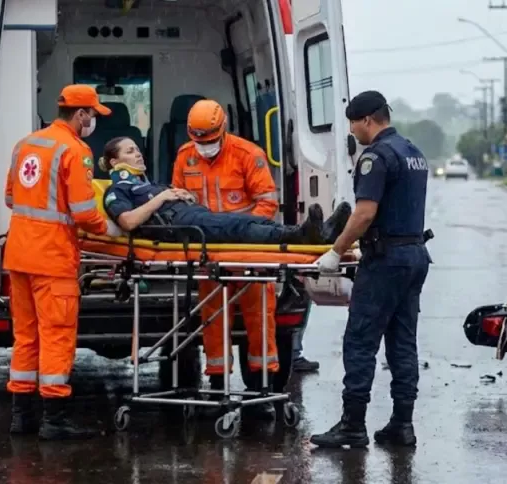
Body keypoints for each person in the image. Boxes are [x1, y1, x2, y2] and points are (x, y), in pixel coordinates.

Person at [170, 99, 348, 418]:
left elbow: (267, 203)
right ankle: (217, 386)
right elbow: (178, 200)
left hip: (246, 249)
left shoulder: (247, 155)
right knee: (212, 320)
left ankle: (261, 391)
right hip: (208, 253)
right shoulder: (185, 156)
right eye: (200, 141)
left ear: (223, 130)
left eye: (210, 141)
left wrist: (242, 232)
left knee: (260, 319)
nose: (205, 147)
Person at [310, 91, 431, 448]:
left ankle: (352, 426)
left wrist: (335, 251)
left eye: (352, 123)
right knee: (402, 342)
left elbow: (364, 213)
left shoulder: (375, 157)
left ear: (367, 120)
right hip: (414, 255)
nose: (352, 130)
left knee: (360, 341)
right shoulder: (413, 153)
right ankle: (402, 424)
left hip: (386, 262)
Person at [5, 84, 119, 440]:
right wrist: (110, 229)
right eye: (93, 115)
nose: (93, 121)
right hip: (52, 260)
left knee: (25, 337)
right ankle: (54, 420)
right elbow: (85, 212)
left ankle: (21, 418)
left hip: (19, 255)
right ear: (80, 114)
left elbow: (11, 197)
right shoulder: (75, 150)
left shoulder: (27, 144)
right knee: (56, 337)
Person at [99, 137, 349, 247]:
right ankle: (302, 236)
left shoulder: (149, 185)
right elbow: (128, 222)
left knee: (249, 219)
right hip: (178, 226)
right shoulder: (117, 189)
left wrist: (183, 195)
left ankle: (317, 233)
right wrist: (164, 197)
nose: (138, 153)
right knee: (237, 227)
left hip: (190, 216)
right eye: (130, 151)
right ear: (114, 162)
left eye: (136, 149)